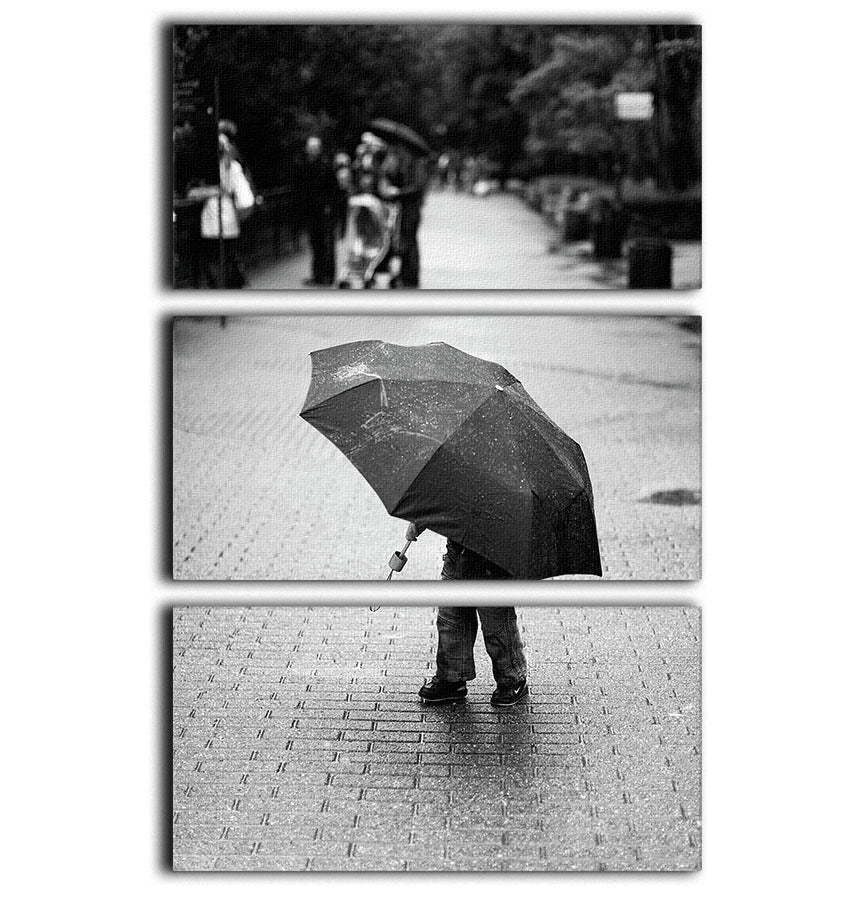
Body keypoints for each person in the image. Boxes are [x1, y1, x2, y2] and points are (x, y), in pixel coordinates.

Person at [405, 523, 529, 708]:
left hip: (493, 560)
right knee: (452, 620)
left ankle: (512, 678)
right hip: (458, 555)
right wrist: (418, 522)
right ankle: (452, 678)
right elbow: (438, 497)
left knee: (497, 624)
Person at [193, 132, 255, 288]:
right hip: (218, 217)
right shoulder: (226, 166)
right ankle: (227, 288)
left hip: (223, 216)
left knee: (222, 256)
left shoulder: (230, 166)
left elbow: (231, 189)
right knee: (222, 255)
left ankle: (226, 288)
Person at [300, 135, 341, 286]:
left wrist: (330, 207)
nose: (311, 151)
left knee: (327, 244)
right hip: (312, 212)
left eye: (314, 148)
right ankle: (317, 275)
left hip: (325, 212)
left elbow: (334, 190)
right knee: (315, 244)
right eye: (310, 148)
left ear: (319, 149)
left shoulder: (326, 166)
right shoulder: (306, 166)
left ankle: (328, 276)